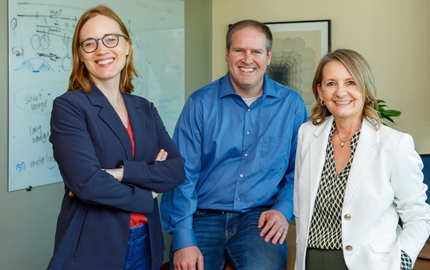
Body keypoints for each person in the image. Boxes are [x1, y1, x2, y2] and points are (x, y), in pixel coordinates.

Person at [161, 19, 308, 270]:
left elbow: (301, 168)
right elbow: (182, 173)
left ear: (268, 56)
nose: (247, 59)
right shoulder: (199, 103)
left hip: (259, 218)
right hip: (202, 217)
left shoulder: (292, 105)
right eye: (239, 50)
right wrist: (183, 237)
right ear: (227, 54)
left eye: (256, 52)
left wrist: (284, 209)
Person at [47, 5, 185, 270]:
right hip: (94, 245)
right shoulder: (70, 106)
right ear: (80, 54)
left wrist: (119, 173)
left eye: (111, 39)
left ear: (127, 47)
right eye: (90, 43)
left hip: (146, 242)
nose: (102, 50)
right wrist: (149, 192)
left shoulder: (144, 107)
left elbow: (177, 169)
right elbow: (87, 183)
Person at [293, 49, 430, 270]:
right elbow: (300, 208)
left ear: (365, 89)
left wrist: (401, 263)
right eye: (331, 83)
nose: (340, 92)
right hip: (309, 262)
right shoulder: (307, 134)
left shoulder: (394, 144)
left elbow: (419, 216)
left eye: (350, 82)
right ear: (320, 93)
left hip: (369, 264)